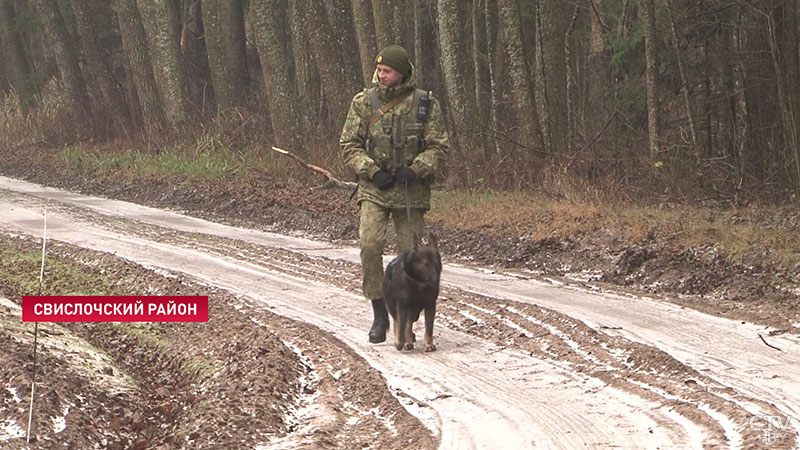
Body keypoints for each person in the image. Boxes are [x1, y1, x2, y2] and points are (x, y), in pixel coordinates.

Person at [340, 44, 450, 343]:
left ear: (401, 73)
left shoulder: (425, 104)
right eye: (379, 70)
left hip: (410, 192)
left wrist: (416, 169)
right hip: (375, 188)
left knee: (410, 257)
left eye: (386, 70)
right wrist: (372, 170)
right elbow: (349, 144)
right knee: (370, 245)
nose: (381, 74)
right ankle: (379, 313)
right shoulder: (364, 102)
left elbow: (439, 146)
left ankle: (409, 318)